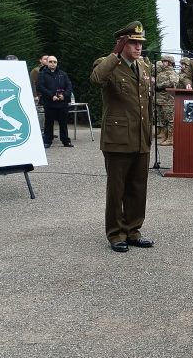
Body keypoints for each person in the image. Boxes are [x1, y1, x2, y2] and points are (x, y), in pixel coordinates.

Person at [90, 21, 155, 253]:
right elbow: (96, 79)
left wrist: (150, 133)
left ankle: (133, 230)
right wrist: (115, 54)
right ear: (122, 43)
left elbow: (146, 104)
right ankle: (115, 233)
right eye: (133, 43)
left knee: (138, 187)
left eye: (140, 43)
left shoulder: (145, 67)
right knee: (117, 189)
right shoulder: (108, 64)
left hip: (140, 137)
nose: (138, 48)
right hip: (117, 138)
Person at [38, 56, 74, 148]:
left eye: (55, 62)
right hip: (50, 103)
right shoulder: (42, 74)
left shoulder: (63, 74)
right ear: (47, 62)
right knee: (49, 123)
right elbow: (41, 87)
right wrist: (51, 96)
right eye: (50, 61)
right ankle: (47, 141)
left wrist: (64, 95)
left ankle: (66, 141)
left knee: (63, 123)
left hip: (62, 103)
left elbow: (69, 86)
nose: (53, 63)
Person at [155, 54, 179, 146]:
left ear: (170, 63)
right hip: (159, 99)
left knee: (170, 120)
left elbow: (173, 83)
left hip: (168, 100)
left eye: (165, 61)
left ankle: (170, 138)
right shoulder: (161, 73)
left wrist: (160, 85)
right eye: (163, 61)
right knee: (163, 119)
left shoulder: (172, 73)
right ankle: (165, 136)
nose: (163, 63)